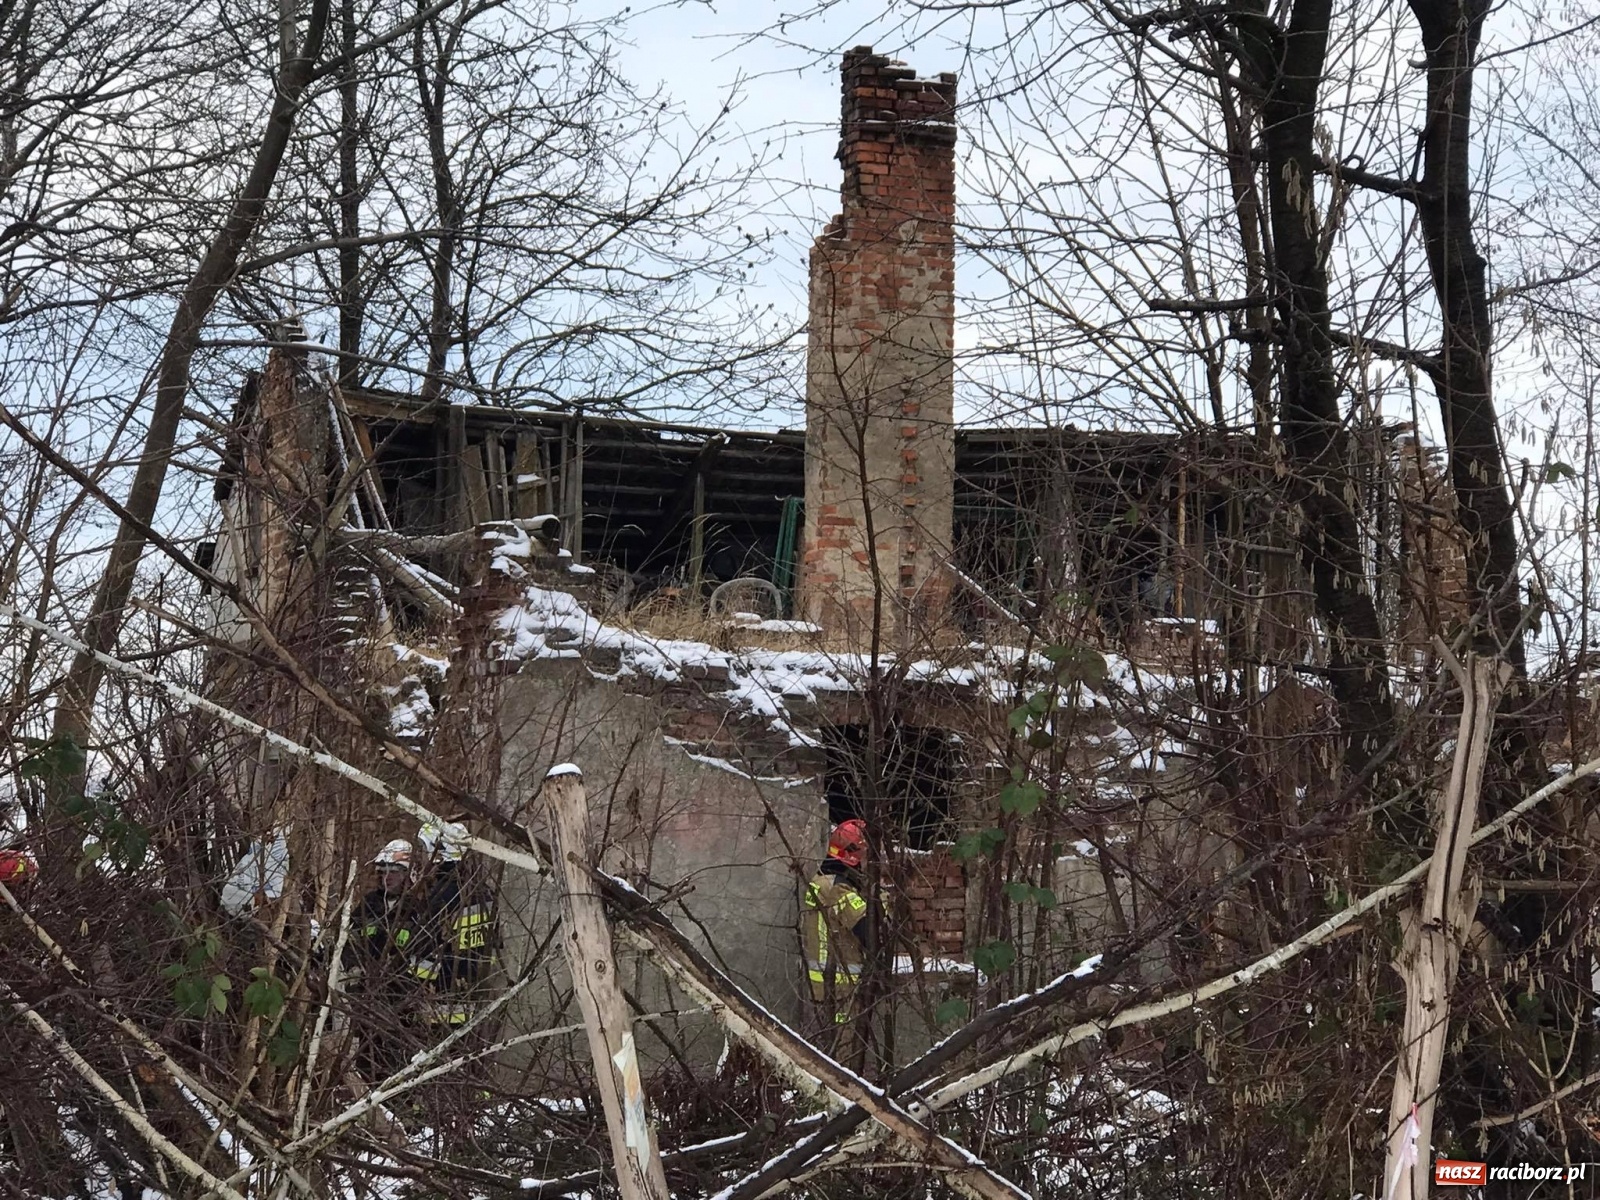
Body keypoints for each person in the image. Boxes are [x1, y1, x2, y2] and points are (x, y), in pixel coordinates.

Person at [802, 819, 876, 1031]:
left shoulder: (819, 880)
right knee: (845, 1043)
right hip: (840, 990)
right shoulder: (839, 889)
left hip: (818, 988)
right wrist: (881, 903)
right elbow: (869, 932)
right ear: (854, 856)